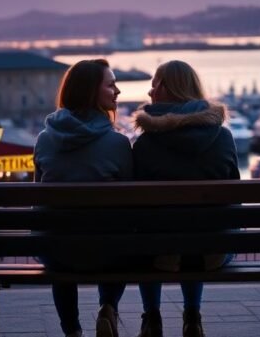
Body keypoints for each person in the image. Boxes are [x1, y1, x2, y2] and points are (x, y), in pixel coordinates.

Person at [131, 60, 239, 337]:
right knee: (198, 232)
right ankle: (192, 316)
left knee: (150, 237)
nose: (149, 92)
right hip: (214, 252)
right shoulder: (223, 137)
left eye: (154, 85)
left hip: (161, 254)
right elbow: (235, 197)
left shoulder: (144, 144)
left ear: (165, 88)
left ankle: (151, 318)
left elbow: (137, 209)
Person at [33, 59, 133, 337]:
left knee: (59, 235)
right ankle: (108, 307)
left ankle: (72, 330)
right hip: (107, 254)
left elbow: (38, 204)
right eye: (111, 84)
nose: (118, 91)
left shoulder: (44, 140)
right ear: (91, 91)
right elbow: (130, 205)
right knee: (119, 236)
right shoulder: (119, 144)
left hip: (57, 253)